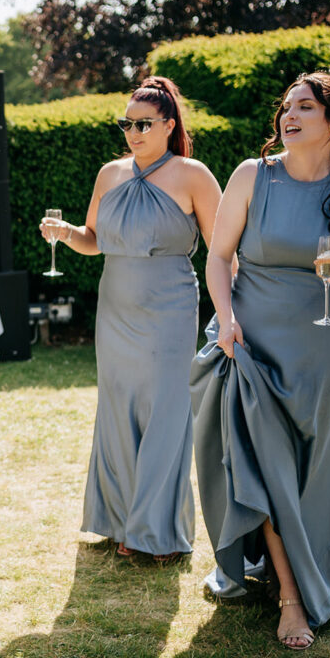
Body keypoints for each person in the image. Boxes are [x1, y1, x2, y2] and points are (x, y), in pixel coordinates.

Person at [190, 72, 330, 649]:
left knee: (317, 472)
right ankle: (292, 600)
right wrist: (225, 319)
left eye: (306, 106)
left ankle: (306, 571)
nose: (290, 115)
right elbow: (218, 257)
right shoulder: (253, 176)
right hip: (251, 343)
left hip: (324, 345)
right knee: (267, 464)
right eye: (287, 107)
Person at [40, 76, 221, 562]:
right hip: (115, 308)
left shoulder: (193, 174)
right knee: (117, 413)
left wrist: (230, 311)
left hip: (170, 309)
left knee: (165, 413)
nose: (133, 132)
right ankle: (118, 521)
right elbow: (94, 239)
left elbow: (223, 251)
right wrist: (64, 231)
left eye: (143, 123)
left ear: (168, 124)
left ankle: (157, 532)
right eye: (127, 124)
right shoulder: (109, 174)